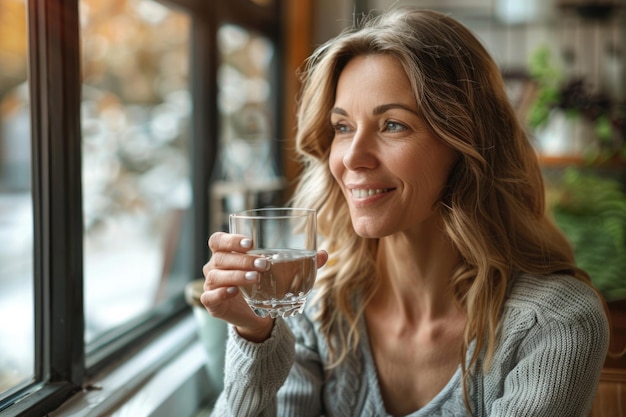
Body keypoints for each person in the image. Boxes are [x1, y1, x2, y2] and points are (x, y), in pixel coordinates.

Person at [201, 7, 610, 417]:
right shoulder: (315, 305)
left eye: (393, 125)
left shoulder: (555, 324)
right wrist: (254, 335)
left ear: (464, 144)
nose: (352, 158)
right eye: (343, 127)